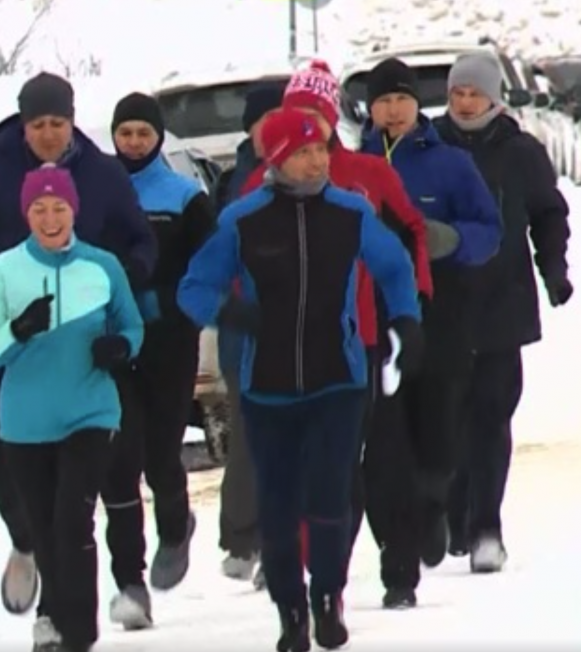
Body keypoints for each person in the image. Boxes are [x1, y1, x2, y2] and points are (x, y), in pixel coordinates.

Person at [178, 108, 424, 652]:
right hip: (266, 386)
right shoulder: (242, 220)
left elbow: (394, 267)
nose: (317, 162)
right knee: (279, 505)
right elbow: (192, 289)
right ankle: (291, 611)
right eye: (304, 152)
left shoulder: (350, 212)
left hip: (338, 379)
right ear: (277, 157)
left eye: (322, 151)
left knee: (330, 496)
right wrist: (230, 313)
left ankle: (327, 597)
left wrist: (406, 319)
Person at [0, 71, 158, 618]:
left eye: (58, 123)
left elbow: (140, 236)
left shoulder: (100, 173)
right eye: (38, 125)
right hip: (19, 343)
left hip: (91, 342)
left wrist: (126, 275)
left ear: (73, 120)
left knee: (116, 465)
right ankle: (26, 542)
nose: (49, 135)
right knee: (18, 471)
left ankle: (130, 583)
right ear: (22, 124)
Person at [238, 60, 435, 573]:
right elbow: (235, 253)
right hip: (288, 346)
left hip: (360, 340)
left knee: (360, 459)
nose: (307, 126)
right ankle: (318, 568)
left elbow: (410, 233)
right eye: (296, 112)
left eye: (315, 114)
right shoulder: (262, 183)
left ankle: (388, 563)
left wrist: (411, 307)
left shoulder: (367, 174)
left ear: (331, 118)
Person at [0, 165, 144, 652]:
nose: (50, 219)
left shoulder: (102, 266)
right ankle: (58, 620)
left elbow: (132, 326)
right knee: (45, 528)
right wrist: (17, 331)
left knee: (73, 519)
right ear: (27, 214)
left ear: (74, 210)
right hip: (26, 424)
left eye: (59, 208)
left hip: (91, 413)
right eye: (39, 210)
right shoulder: (4, 270)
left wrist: (120, 348)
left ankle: (79, 630)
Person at [358, 57, 502, 610]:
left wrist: (449, 239)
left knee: (439, 435)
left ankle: (433, 504)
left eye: (401, 99)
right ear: (369, 110)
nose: (393, 111)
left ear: (418, 105)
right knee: (384, 444)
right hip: (374, 321)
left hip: (441, 314)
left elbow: (489, 230)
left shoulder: (451, 164)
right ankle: (398, 555)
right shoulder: (354, 165)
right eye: (382, 101)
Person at [433, 53, 572, 573]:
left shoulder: (520, 152)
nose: (465, 102)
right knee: (446, 421)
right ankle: (455, 508)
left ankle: (487, 526)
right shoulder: (429, 146)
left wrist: (552, 270)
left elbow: (547, 213)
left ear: (493, 97)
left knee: (491, 418)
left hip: (501, 304)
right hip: (441, 306)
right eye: (457, 93)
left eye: (474, 93)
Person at [98, 92, 215, 624]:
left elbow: (208, 265)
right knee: (119, 461)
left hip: (169, 340)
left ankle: (174, 524)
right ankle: (130, 582)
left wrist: (170, 304)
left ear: (159, 137)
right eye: (126, 133)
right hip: (113, 345)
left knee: (160, 455)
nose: (135, 142)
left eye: (144, 133)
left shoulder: (183, 195)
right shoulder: (96, 193)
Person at [215, 107, 278, 586]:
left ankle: (282, 544)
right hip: (243, 332)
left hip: (300, 330)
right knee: (248, 434)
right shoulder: (230, 182)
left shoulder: (309, 173)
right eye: (263, 120)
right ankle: (240, 535)